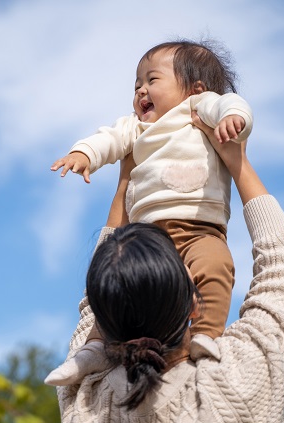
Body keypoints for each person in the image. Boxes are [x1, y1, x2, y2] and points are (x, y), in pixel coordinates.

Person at [54, 114, 284, 423]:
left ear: (102, 322)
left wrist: (127, 180)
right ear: (193, 302)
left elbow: (100, 293)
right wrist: (236, 161)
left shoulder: (84, 400)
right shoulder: (235, 380)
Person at [47, 40, 253, 385]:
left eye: (152, 80)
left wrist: (235, 118)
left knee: (217, 267)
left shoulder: (200, 109)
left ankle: (205, 336)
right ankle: (93, 348)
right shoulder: (137, 127)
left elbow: (232, 103)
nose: (141, 90)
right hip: (147, 237)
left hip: (201, 230)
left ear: (194, 89)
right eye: (137, 85)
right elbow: (108, 139)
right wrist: (83, 154)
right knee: (120, 286)